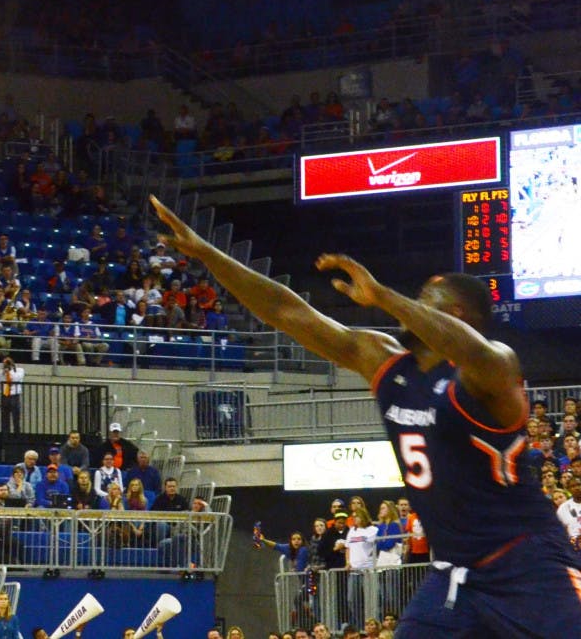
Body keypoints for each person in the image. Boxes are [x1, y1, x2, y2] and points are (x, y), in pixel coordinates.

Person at [152, 194, 581, 636]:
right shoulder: (387, 363)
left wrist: (384, 297)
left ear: (455, 316)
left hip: (526, 562)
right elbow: (287, 310)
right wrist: (207, 254)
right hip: (452, 575)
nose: (408, 307)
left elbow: (472, 347)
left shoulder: (490, 371)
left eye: (422, 301)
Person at [0, 357, 24, 434]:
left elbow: (15, 378)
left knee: (16, 417)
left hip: (14, 395)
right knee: (4, 416)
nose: (7, 365)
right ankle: (5, 434)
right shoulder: (3, 372)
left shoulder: (19, 370)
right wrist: (2, 371)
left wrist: (10, 371)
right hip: (5, 395)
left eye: (8, 363)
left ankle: (16, 435)